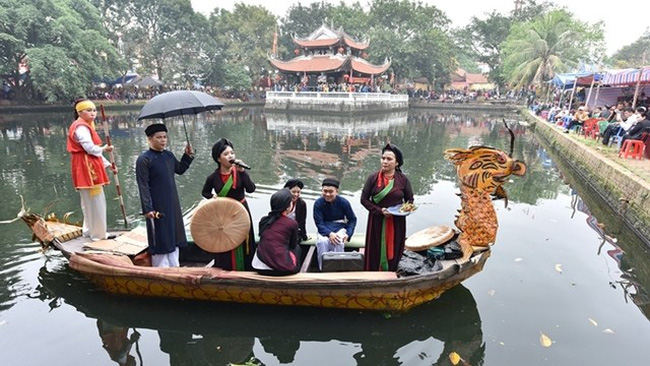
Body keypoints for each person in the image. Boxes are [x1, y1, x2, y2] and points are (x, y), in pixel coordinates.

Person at [136, 123, 194, 267]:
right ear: (150, 139)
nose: (163, 140)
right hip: (156, 204)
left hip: (172, 202)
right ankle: (160, 268)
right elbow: (143, 185)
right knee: (160, 235)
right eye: (159, 137)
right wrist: (147, 208)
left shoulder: (168, 155)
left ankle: (175, 266)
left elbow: (179, 169)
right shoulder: (144, 159)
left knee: (174, 233)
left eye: (165, 137)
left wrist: (187, 156)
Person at [201, 138, 256, 270]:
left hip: (241, 212)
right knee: (224, 241)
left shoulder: (240, 172)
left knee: (244, 242)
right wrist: (213, 196)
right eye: (226, 154)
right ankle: (226, 269)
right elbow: (205, 192)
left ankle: (246, 269)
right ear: (218, 159)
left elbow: (251, 189)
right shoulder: (213, 177)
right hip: (224, 215)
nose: (230, 156)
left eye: (232, 153)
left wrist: (243, 172)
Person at [66, 99, 115, 241]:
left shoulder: (84, 125)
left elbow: (93, 152)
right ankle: (99, 235)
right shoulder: (81, 127)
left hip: (85, 163)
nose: (93, 113)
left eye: (94, 110)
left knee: (87, 201)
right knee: (96, 201)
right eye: (89, 110)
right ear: (79, 112)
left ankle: (88, 230)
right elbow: (90, 149)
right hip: (87, 167)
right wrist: (104, 149)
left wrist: (108, 164)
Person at [361, 143, 414, 271]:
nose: (385, 161)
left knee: (395, 245)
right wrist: (379, 211)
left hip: (396, 221)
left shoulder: (403, 180)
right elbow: (364, 200)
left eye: (389, 159)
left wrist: (403, 210)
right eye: (383, 158)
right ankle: (373, 273)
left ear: (397, 163)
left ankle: (392, 271)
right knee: (376, 247)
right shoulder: (372, 178)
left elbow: (410, 200)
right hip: (377, 220)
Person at [252, 188, 302, 275]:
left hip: (259, 267)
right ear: (287, 207)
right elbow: (292, 245)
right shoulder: (292, 223)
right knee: (297, 248)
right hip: (280, 270)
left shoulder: (264, 220)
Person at [313, 178, 357, 270]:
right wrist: (329, 234)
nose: (327, 194)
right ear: (321, 191)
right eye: (325, 191)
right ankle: (323, 269)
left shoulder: (343, 202)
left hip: (340, 228)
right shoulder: (318, 203)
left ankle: (337, 269)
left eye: (331, 192)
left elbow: (352, 219)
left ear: (336, 191)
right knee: (322, 242)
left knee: (338, 241)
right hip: (324, 229)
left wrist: (348, 234)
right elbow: (319, 223)